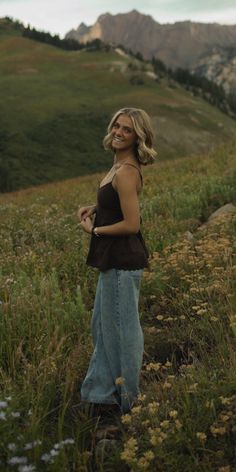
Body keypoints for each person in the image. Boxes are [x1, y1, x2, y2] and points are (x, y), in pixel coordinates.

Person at [77, 107, 157, 415]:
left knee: (123, 331)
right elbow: (114, 204)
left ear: (138, 137)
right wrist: (94, 208)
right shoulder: (116, 165)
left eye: (126, 129)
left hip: (124, 261)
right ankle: (101, 394)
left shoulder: (126, 172)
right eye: (116, 126)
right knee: (102, 327)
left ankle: (127, 401)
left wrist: (94, 229)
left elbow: (131, 224)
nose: (118, 132)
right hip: (113, 259)